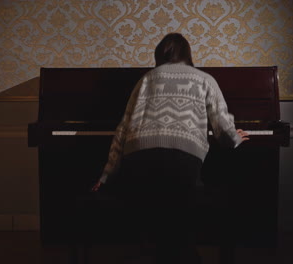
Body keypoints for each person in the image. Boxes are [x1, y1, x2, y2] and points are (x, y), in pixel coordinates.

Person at [91, 32, 249, 264]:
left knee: (160, 201)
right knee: (178, 198)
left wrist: (106, 176)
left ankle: (165, 250)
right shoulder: (205, 79)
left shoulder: (145, 80)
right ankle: (182, 253)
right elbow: (223, 129)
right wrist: (235, 138)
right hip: (182, 163)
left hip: (138, 161)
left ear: (159, 56)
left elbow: (123, 130)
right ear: (188, 54)